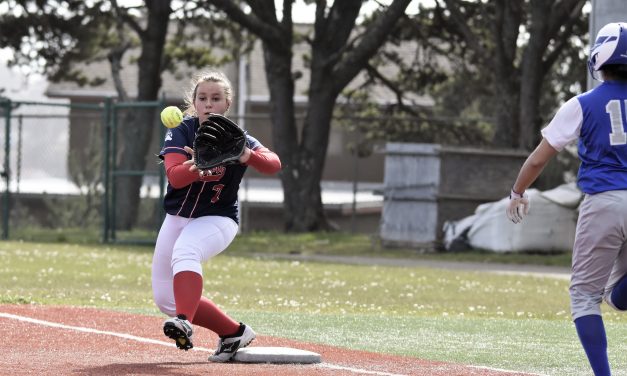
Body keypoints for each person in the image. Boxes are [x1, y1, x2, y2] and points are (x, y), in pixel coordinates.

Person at [506, 22, 627, 376]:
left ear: (599, 59)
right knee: (616, 295)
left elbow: (540, 158)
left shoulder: (582, 104)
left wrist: (517, 191)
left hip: (604, 200)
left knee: (584, 297)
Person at [152, 69, 282, 362]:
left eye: (216, 98)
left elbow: (274, 164)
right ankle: (234, 332)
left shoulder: (237, 138)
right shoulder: (181, 131)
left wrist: (246, 154)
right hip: (178, 217)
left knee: (187, 251)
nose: (208, 104)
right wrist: (196, 164)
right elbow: (175, 177)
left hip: (218, 219)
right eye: (202, 98)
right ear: (194, 103)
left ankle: (184, 321)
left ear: (227, 104)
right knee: (165, 298)